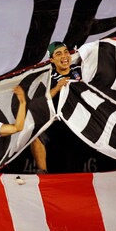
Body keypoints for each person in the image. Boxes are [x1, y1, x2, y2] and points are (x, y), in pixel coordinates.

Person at [30, 41, 82, 173]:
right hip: (58, 122)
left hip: (80, 119)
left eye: (66, 52)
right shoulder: (48, 77)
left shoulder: (80, 69)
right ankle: (43, 172)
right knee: (35, 133)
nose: (64, 56)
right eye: (58, 54)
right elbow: (41, 101)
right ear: (52, 60)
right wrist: (58, 87)